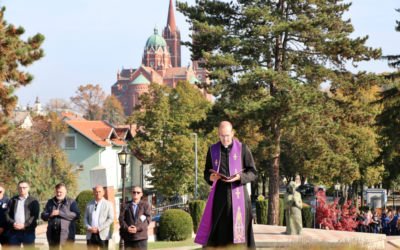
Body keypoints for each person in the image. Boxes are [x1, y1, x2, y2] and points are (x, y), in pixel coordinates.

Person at [195, 121, 258, 249]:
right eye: (222, 135)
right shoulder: (212, 150)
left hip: (240, 198)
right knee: (220, 234)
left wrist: (240, 177)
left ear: (232, 133)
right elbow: (206, 172)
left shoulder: (243, 148)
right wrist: (210, 177)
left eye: (228, 135)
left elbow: (253, 173)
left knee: (240, 236)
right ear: (218, 134)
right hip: (220, 201)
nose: (225, 139)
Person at [41, 183, 80, 249]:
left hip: (66, 235)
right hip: (53, 235)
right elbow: (43, 215)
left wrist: (60, 213)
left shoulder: (71, 202)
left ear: (65, 192)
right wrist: (50, 214)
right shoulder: (50, 202)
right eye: (57, 192)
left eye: (60, 192)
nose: (58, 194)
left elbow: (76, 215)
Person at [4, 181, 39, 246]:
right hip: (14, 232)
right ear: (17, 189)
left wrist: (24, 225)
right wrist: (13, 223)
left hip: (28, 232)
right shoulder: (13, 200)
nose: (22, 189)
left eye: (24, 187)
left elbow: (35, 215)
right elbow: (6, 213)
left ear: (28, 188)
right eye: (20, 188)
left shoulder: (34, 200)